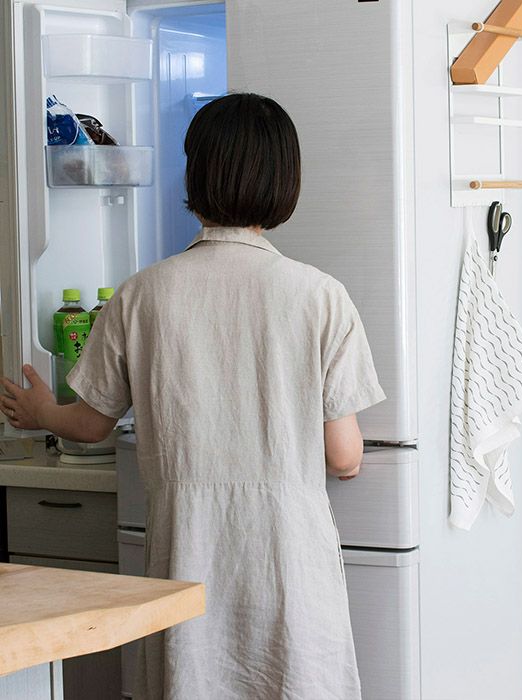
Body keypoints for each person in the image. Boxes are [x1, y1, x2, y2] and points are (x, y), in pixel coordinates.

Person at [0, 93, 385, 699]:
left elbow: (92, 424)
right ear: (286, 182)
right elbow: (343, 455)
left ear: (195, 175)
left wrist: (41, 411)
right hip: (290, 568)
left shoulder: (142, 294)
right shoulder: (320, 296)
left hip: (187, 555)